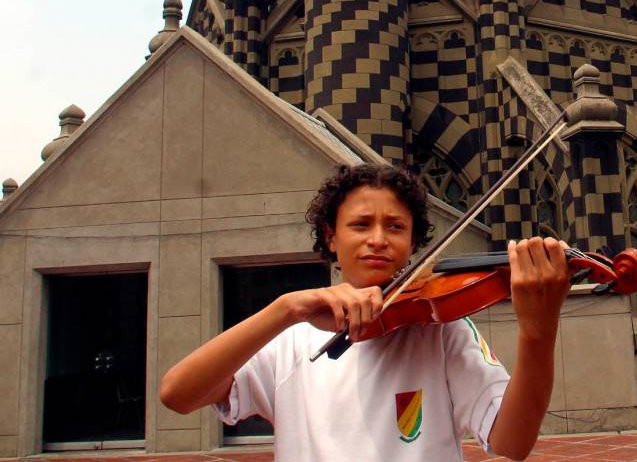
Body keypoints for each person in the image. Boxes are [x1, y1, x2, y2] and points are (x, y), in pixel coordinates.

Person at [160, 163, 571, 461]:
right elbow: (177, 394)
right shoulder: (291, 337)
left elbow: (512, 443)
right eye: (360, 225)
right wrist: (285, 308)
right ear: (331, 236)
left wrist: (538, 332)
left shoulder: (441, 330)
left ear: (412, 243)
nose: (378, 239)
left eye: (395, 227)